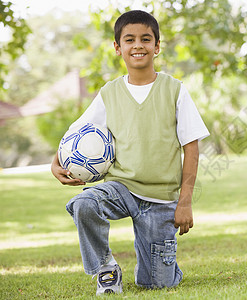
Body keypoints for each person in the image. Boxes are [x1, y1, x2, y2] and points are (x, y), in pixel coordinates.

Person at [51, 10, 209, 295]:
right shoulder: (109, 93)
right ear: (117, 47)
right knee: (84, 204)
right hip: (120, 187)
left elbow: (192, 148)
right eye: (130, 39)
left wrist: (184, 202)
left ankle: (163, 262)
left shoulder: (175, 90)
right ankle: (105, 268)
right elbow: (75, 133)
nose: (138, 45)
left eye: (146, 39)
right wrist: (56, 163)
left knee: (156, 283)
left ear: (157, 46)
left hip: (161, 199)